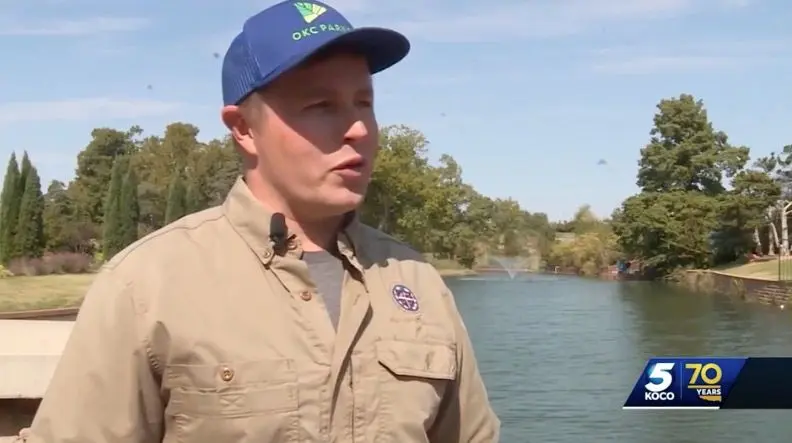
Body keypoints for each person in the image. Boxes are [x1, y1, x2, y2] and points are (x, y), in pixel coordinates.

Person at [21, 1, 500, 441]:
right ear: (244, 129)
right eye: (321, 106)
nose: (357, 129)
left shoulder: (417, 282)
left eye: (364, 103)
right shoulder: (146, 287)